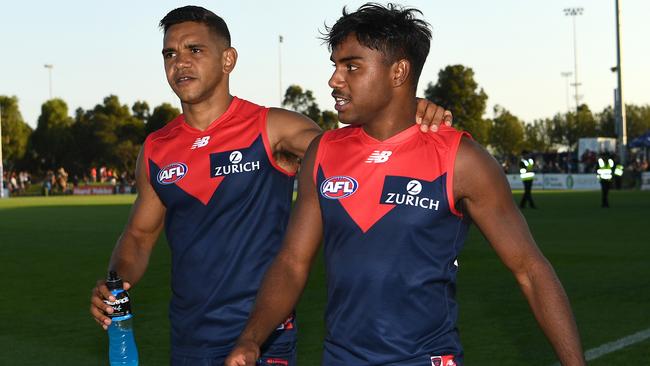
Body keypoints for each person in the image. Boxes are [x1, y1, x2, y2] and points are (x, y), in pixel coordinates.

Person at [89, 5, 452, 366]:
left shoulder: (272, 128)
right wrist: (115, 282)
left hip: (265, 337)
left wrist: (403, 111)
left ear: (228, 59)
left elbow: (354, 153)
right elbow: (138, 235)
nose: (180, 62)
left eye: (194, 50)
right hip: (189, 338)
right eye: (170, 53)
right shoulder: (156, 148)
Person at [226, 4, 585, 366]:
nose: (334, 80)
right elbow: (291, 262)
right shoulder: (323, 152)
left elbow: (531, 271)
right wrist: (251, 339)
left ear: (398, 71)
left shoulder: (462, 160)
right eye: (334, 66)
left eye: (351, 66)